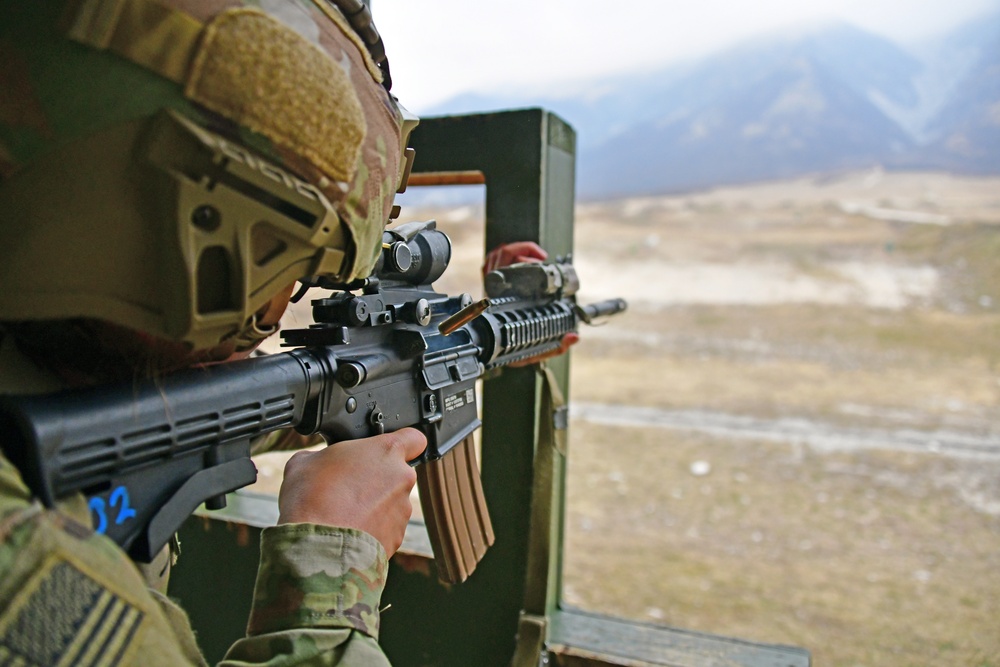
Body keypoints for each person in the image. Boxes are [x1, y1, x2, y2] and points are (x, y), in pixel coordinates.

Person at [0, 1, 427, 664]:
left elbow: (185, 389)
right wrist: (333, 555)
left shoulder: (47, 354)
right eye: (277, 263)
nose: (277, 305)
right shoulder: (25, 573)